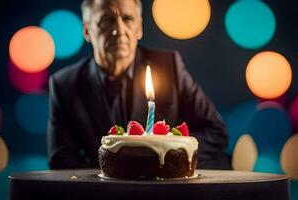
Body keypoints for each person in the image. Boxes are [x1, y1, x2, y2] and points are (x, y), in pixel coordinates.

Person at [47, 0, 230, 169]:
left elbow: (216, 133)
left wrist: (166, 154)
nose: (119, 29)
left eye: (127, 19)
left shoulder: (170, 66)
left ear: (139, 28)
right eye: (107, 20)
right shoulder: (64, 84)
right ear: (87, 30)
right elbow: (60, 158)